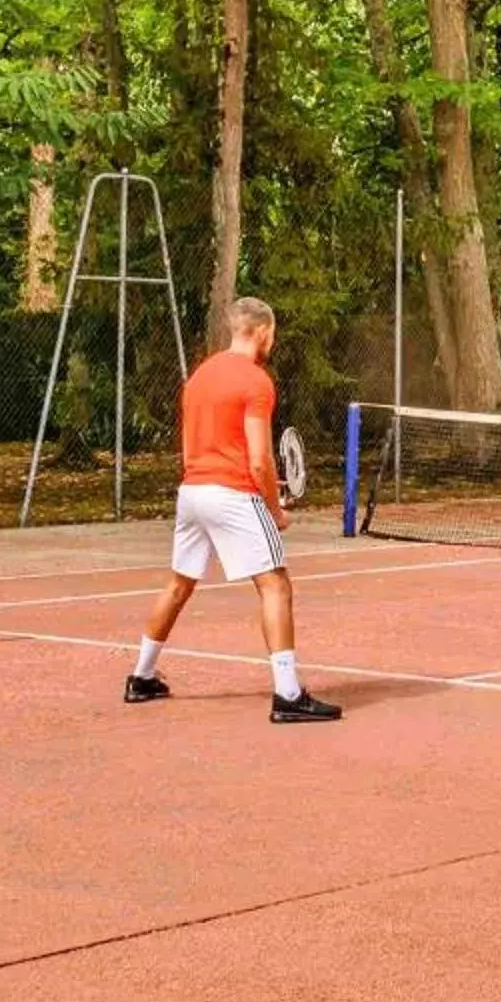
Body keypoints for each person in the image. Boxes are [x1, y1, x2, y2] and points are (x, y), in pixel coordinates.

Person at [124, 296, 341, 722]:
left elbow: (194, 448)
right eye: (272, 334)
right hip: (233, 495)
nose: (272, 341)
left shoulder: (199, 377)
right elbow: (259, 459)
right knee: (276, 585)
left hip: (192, 491)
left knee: (180, 583)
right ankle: (288, 696)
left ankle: (142, 676)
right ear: (263, 331)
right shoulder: (256, 382)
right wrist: (274, 507)